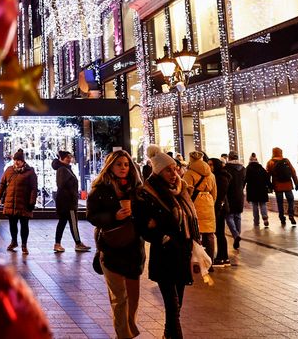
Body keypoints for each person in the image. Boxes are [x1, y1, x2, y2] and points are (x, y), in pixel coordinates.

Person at [135, 145, 199, 339]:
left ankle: (167, 335)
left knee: (177, 303)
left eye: (175, 168)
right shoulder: (147, 193)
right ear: (158, 171)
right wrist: (163, 237)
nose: (174, 173)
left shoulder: (182, 190)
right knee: (172, 304)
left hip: (184, 252)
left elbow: (189, 218)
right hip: (165, 254)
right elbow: (143, 226)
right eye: (168, 170)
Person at [87, 150, 145, 339]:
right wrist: (113, 216)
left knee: (133, 298)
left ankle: (129, 327)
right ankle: (123, 335)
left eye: (126, 164)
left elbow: (146, 215)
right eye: (119, 164)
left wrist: (136, 215)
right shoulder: (100, 189)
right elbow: (92, 216)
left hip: (133, 249)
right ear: (110, 166)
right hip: (111, 248)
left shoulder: (137, 190)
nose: (123, 168)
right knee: (119, 298)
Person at [0, 148, 37, 255]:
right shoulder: (9, 170)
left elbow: (34, 188)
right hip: (11, 202)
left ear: (23, 161)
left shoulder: (30, 172)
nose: (16, 162)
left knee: (24, 225)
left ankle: (24, 245)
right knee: (12, 224)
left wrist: (32, 201)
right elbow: (2, 183)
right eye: (15, 160)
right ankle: (14, 241)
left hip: (24, 203)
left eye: (18, 160)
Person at [182, 150, 217, 266]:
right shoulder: (211, 174)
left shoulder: (189, 173)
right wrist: (211, 202)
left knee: (195, 233)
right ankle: (210, 262)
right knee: (210, 234)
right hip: (208, 202)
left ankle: (197, 262)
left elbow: (186, 192)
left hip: (195, 204)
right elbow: (214, 193)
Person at [52, 150, 90, 252]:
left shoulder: (65, 168)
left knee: (63, 222)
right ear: (61, 158)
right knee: (73, 223)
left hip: (66, 202)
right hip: (68, 203)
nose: (69, 159)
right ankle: (78, 243)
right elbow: (61, 185)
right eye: (67, 157)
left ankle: (58, 244)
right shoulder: (63, 169)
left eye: (70, 157)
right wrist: (71, 193)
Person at [267, 147, 298, 226]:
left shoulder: (270, 162)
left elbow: (267, 175)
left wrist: (269, 186)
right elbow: (293, 172)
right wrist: (296, 183)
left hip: (277, 185)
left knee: (280, 202)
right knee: (291, 200)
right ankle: (291, 215)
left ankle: (282, 217)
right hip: (287, 185)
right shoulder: (286, 161)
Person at [208, 157, 230, 267]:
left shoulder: (221, 177)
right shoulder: (216, 176)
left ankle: (223, 257)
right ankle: (223, 257)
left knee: (220, 233)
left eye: (211, 165)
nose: (209, 167)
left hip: (220, 209)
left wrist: (217, 209)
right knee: (219, 233)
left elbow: (220, 196)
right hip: (218, 208)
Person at [225, 152, 246, 248]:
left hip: (229, 195)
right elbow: (244, 182)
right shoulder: (243, 169)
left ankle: (235, 235)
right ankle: (237, 235)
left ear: (229, 158)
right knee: (237, 216)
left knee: (229, 215)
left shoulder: (226, 168)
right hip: (239, 194)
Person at [245, 152, 273, 227]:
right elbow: (267, 178)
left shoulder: (248, 168)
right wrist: (270, 186)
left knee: (254, 206)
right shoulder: (261, 168)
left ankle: (256, 221)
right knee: (263, 204)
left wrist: (241, 187)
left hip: (252, 190)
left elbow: (245, 179)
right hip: (262, 189)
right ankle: (265, 218)